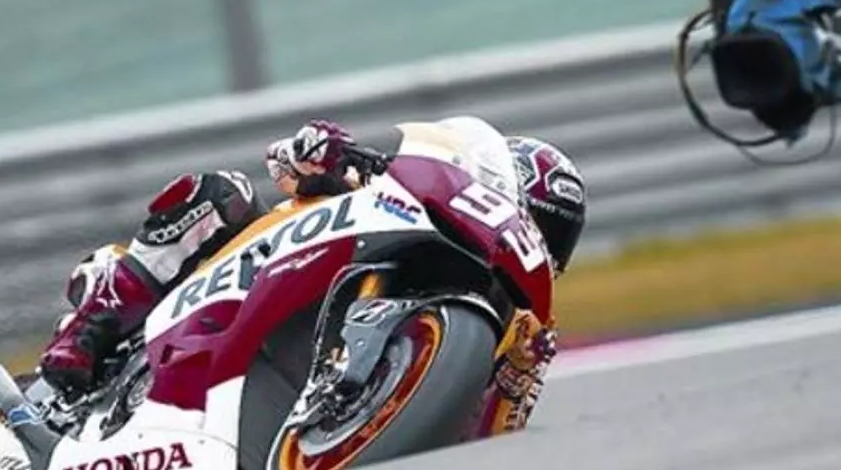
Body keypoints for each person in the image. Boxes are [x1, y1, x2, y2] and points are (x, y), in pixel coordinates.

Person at [38, 117, 587, 435]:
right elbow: (285, 165)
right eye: (535, 217)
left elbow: (492, 438)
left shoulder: (524, 334)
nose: (536, 237)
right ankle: (95, 323)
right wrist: (319, 153)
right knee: (221, 194)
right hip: (246, 280)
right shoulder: (390, 192)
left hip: (302, 441)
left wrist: (517, 375)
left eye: (552, 235)